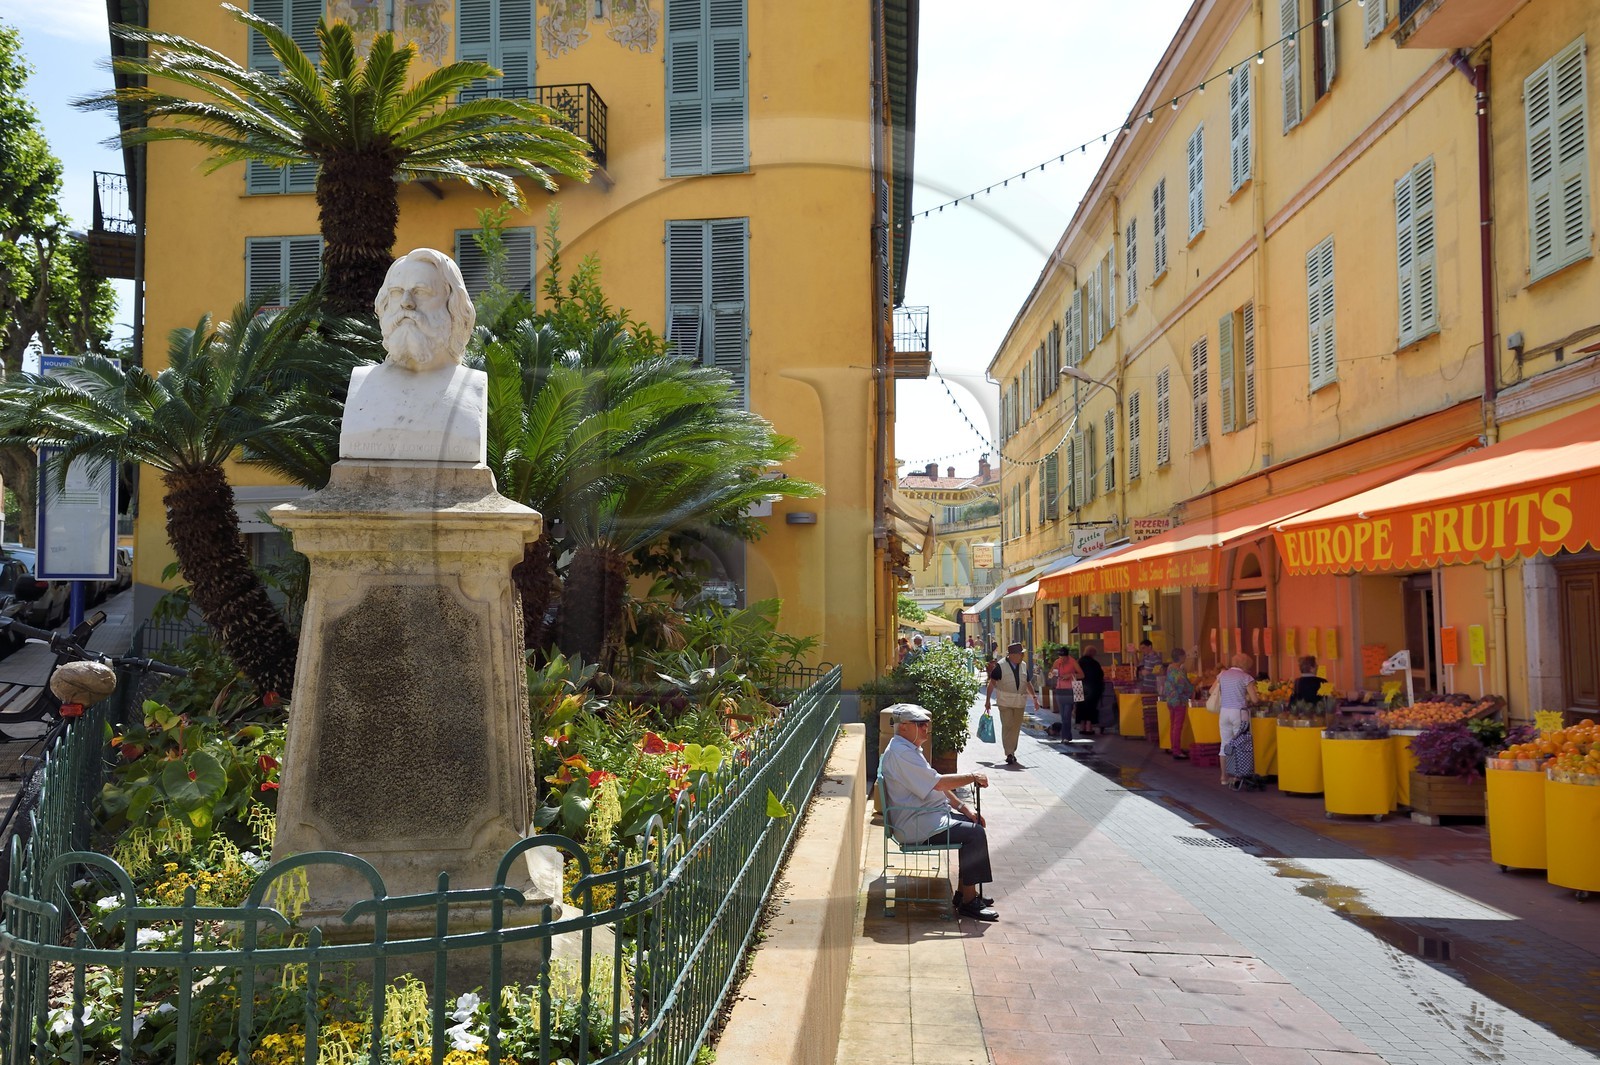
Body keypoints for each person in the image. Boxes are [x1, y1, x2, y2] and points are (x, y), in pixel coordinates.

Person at [342, 248, 487, 465]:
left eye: (421, 291)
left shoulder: (472, 386)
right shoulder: (362, 384)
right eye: (396, 292)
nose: (407, 303)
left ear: (453, 307)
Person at [878, 704, 998, 921]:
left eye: (926, 724)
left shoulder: (907, 749)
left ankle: (964, 893)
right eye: (920, 724)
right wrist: (972, 777)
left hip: (924, 816)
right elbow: (937, 783)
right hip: (916, 823)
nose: (926, 728)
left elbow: (935, 783)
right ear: (903, 726)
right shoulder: (902, 753)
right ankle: (969, 901)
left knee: (974, 826)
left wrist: (964, 808)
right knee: (974, 834)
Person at [985, 643, 1039, 766]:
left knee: (1016, 727)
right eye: (1021, 654)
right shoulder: (1000, 666)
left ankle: (1012, 751)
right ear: (1013, 655)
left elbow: (1027, 683)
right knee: (1008, 725)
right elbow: (992, 683)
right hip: (1005, 702)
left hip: (1019, 703)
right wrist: (987, 700)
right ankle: (1009, 753)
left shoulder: (1023, 665)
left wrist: (1034, 698)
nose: (1022, 656)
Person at [1216, 652, 1258, 787]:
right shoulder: (1246, 677)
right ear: (1245, 665)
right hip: (1238, 713)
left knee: (1225, 745)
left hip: (1224, 712)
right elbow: (1255, 699)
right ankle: (1236, 777)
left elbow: (1212, 691)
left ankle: (1223, 777)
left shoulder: (1223, 674)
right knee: (1239, 745)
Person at [1162, 647, 1194, 759]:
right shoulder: (1178, 671)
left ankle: (1174, 747)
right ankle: (1177, 750)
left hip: (1171, 700)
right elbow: (1184, 686)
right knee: (1177, 726)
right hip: (1179, 701)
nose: (1185, 658)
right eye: (1184, 656)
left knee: (1173, 725)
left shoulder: (1170, 668)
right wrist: (1194, 685)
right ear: (1180, 657)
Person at [1046, 646, 1082, 739]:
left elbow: (1082, 675)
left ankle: (1065, 737)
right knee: (1063, 716)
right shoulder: (1057, 662)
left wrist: (1070, 675)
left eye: (1063, 657)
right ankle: (1067, 736)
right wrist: (1051, 674)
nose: (1061, 659)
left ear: (1067, 656)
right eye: (1060, 657)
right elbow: (1050, 674)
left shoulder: (1073, 662)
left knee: (1067, 715)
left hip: (1070, 690)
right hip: (1059, 690)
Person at [1076, 645, 1105, 736]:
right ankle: (1089, 728)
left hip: (1079, 687)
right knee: (1091, 707)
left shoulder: (1078, 662)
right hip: (1092, 688)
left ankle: (1082, 727)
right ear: (1093, 653)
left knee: (1080, 707)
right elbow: (1100, 676)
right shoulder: (1095, 663)